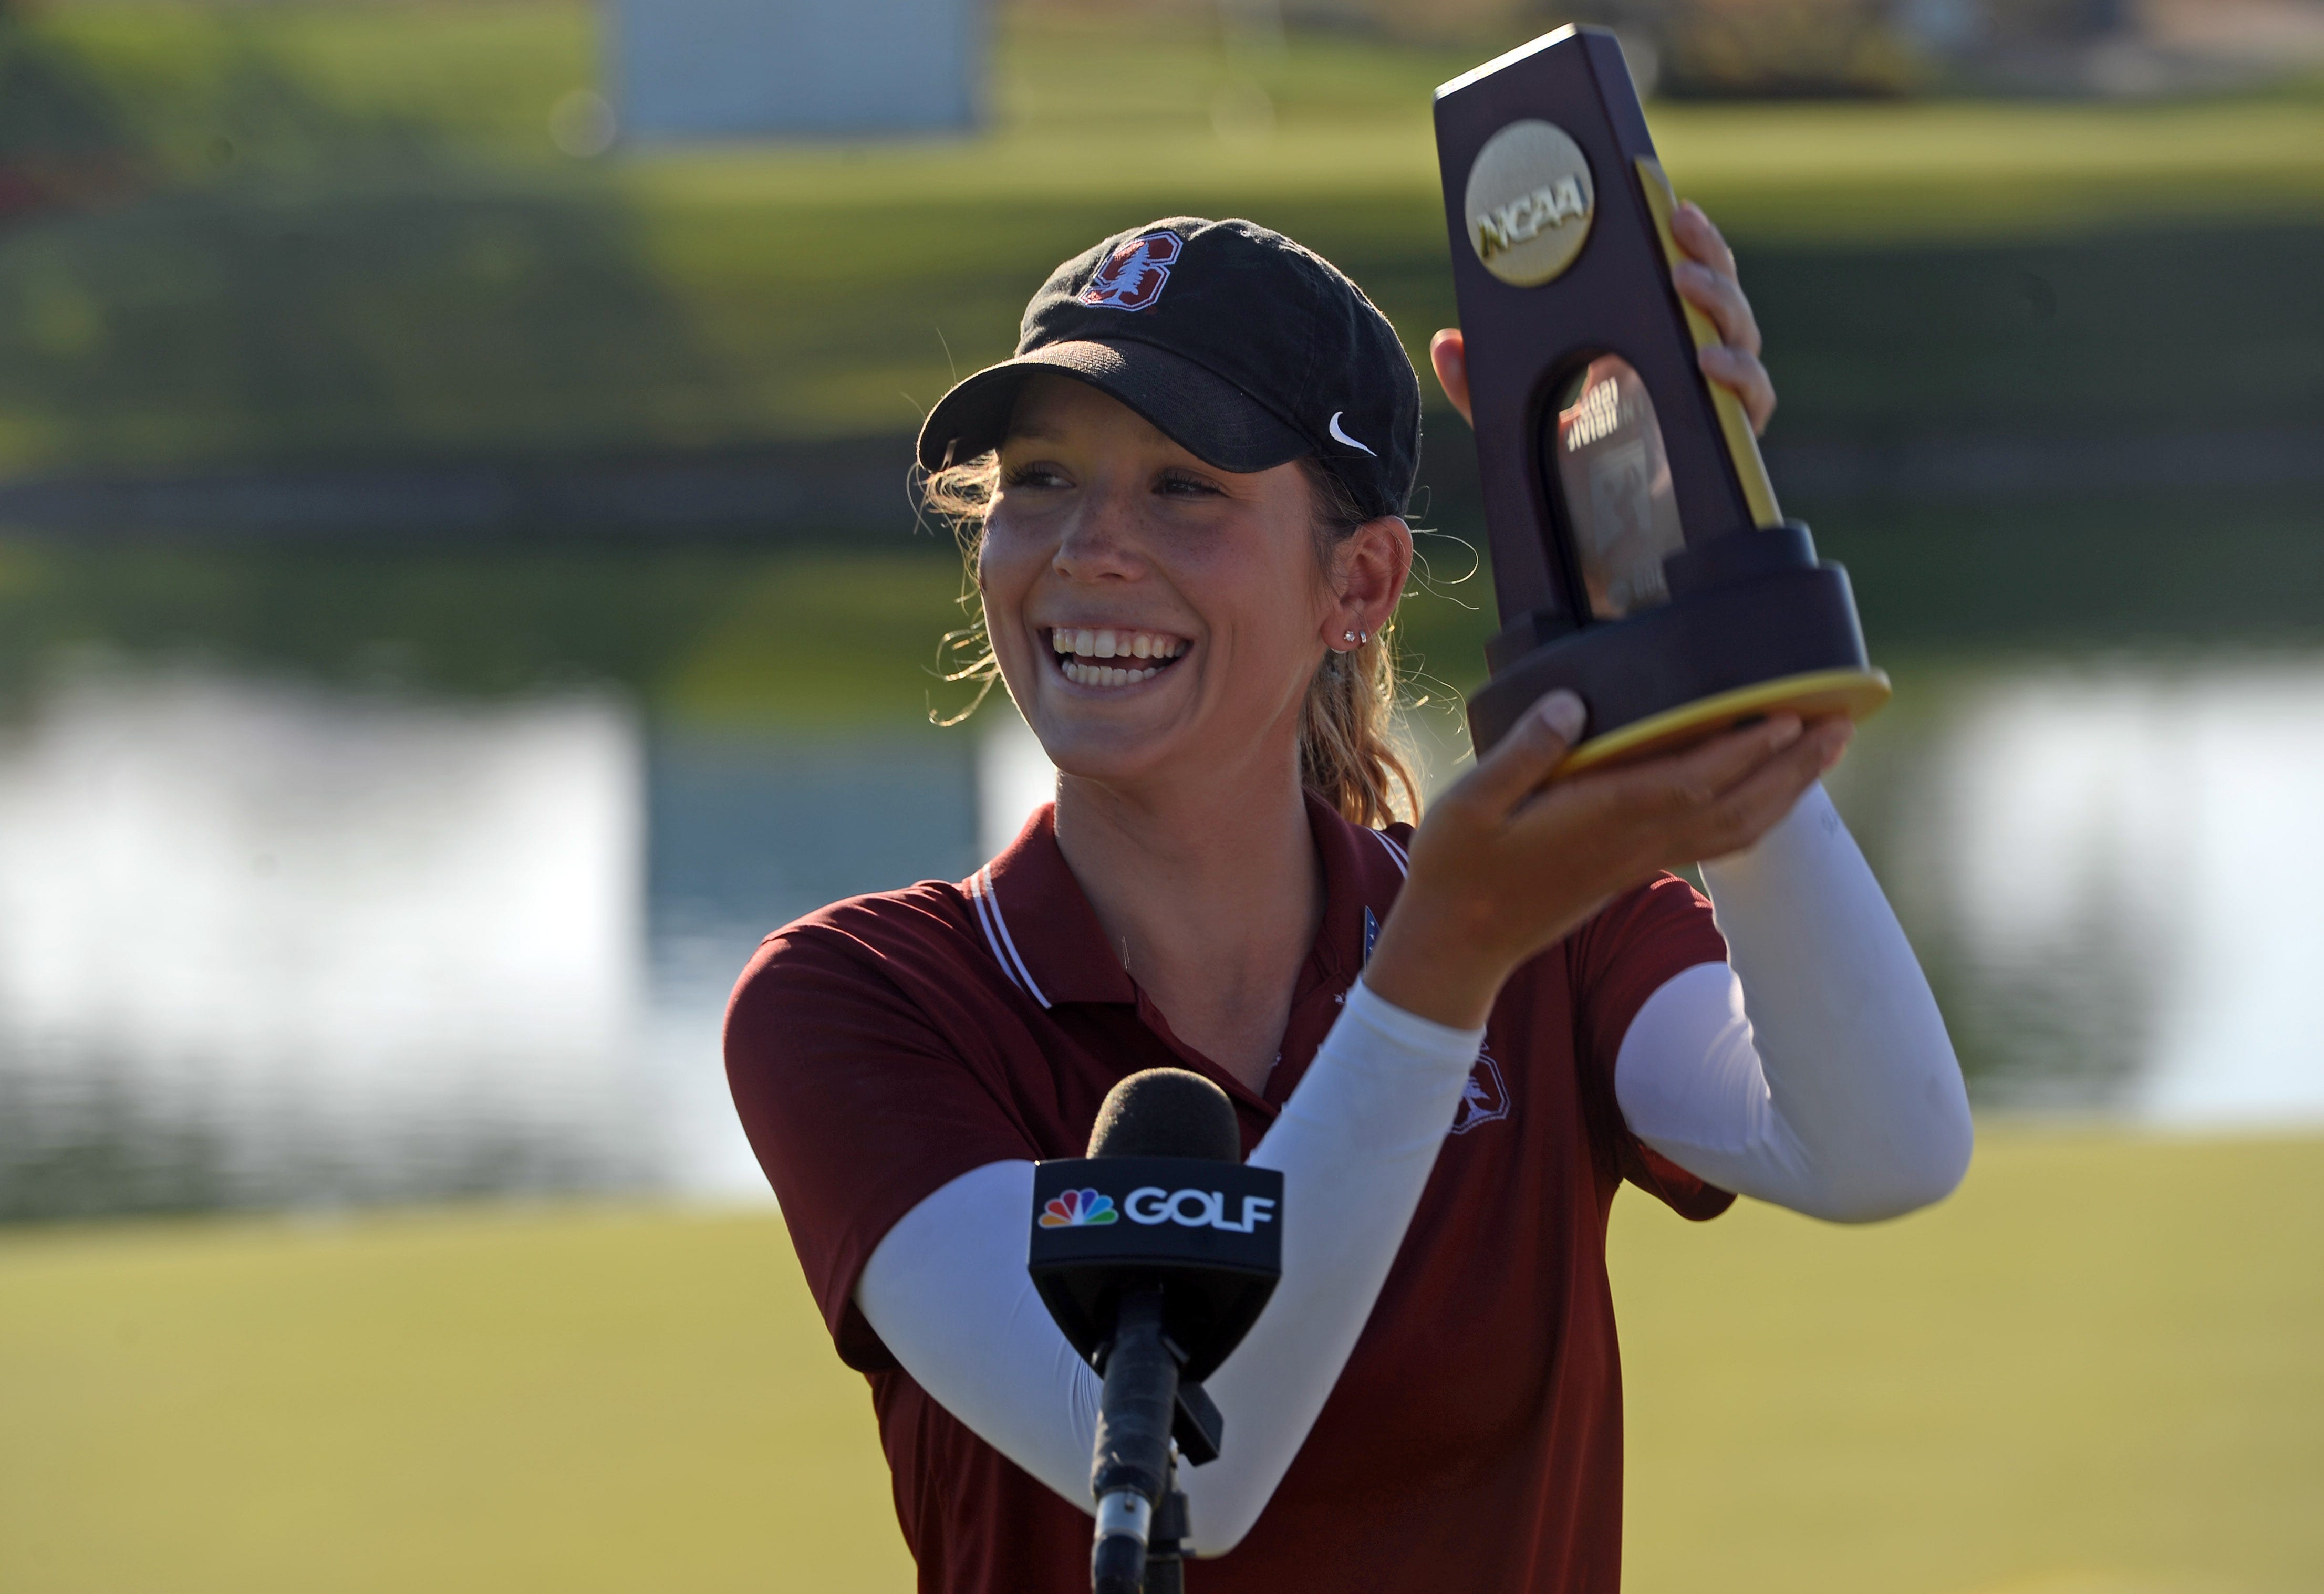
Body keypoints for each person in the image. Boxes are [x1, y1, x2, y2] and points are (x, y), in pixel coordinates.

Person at [724, 213, 1971, 1592]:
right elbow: (1189, 1471)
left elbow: (1884, 1143)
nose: (1088, 547)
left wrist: (1673, 596)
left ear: (1361, 581)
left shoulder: (1541, 930)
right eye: (1040, 480)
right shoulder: (863, 998)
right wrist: (1446, 960)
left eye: (1184, 488)